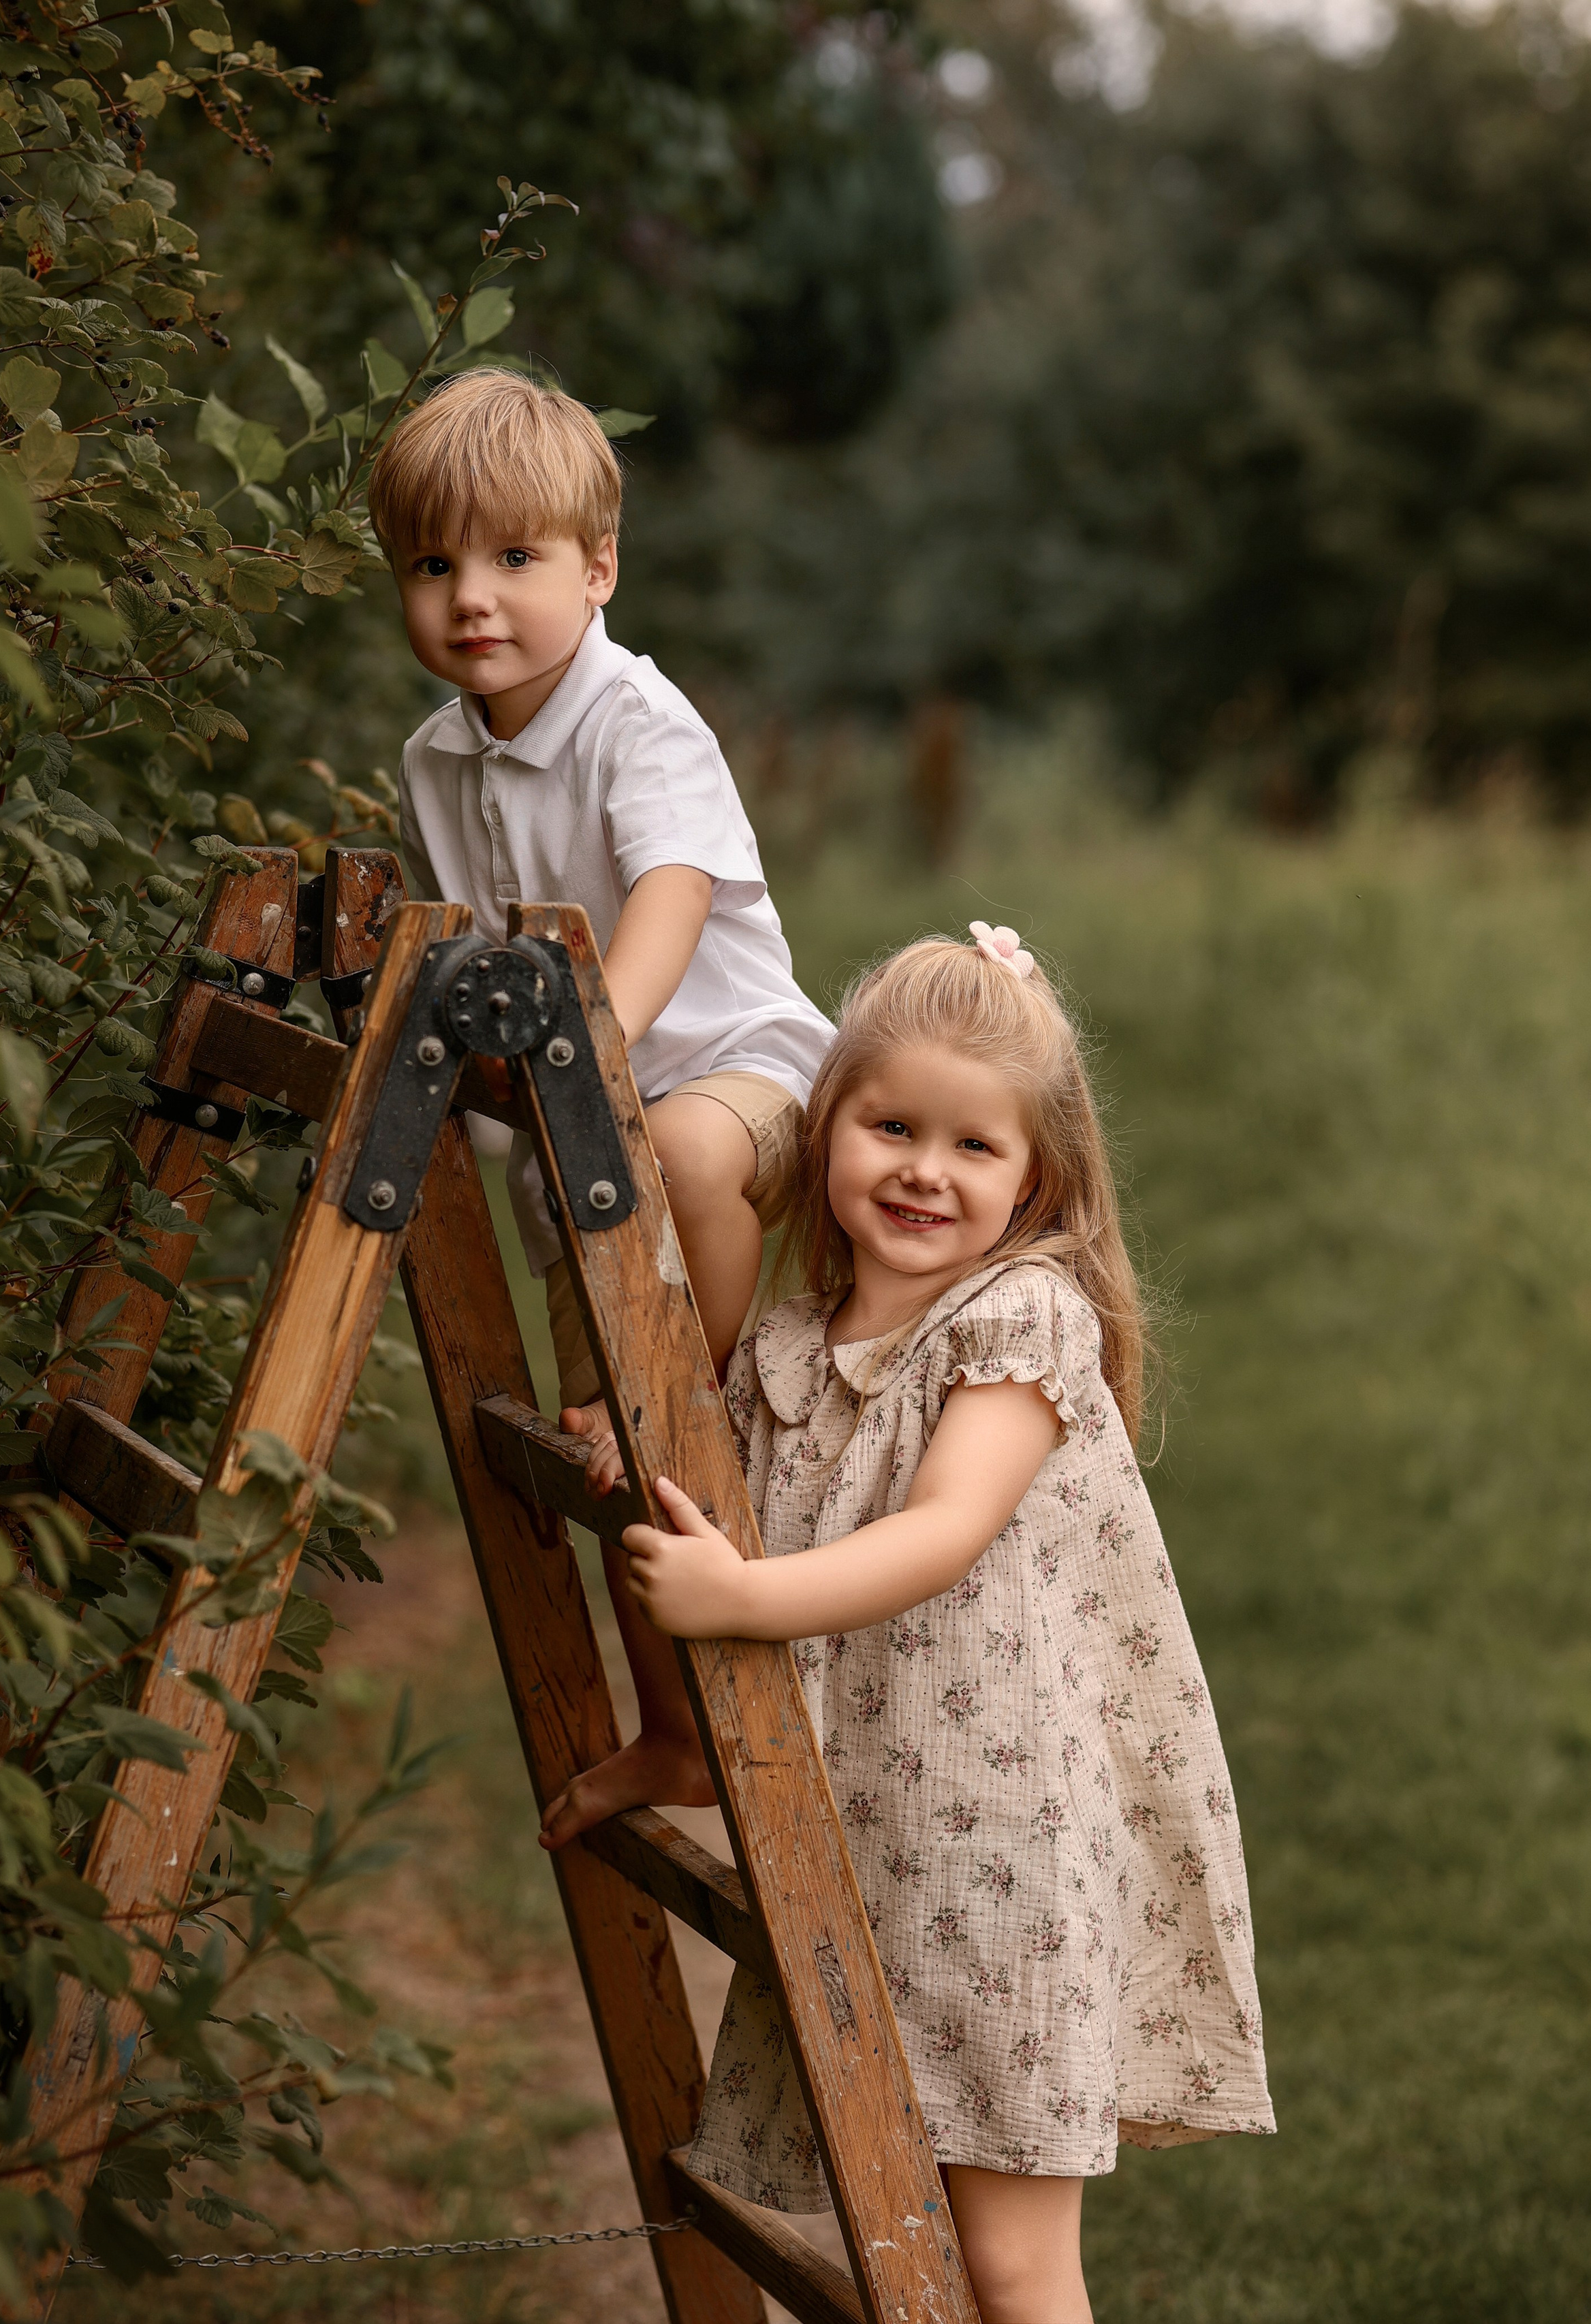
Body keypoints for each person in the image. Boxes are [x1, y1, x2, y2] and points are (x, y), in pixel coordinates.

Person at [610, 927, 1275, 2324]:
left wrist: (736, 1601)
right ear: (827, 1124)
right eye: (890, 1125)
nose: (922, 1169)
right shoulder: (793, 1346)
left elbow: (940, 1533)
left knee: (1008, 2264)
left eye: (973, 1147)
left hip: (1003, 1860)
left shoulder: (1017, 1323)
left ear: (1037, 1180)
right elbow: (705, 1479)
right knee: (892, 2236)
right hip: (869, 1845)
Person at [368, 367, 834, 1836]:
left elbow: (675, 895)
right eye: (432, 566)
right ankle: (671, 1733)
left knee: (683, 1177)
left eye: (513, 559)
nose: (470, 599)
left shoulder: (639, 721)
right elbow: (459, 938)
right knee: (617, 1480)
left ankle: (686, 1380)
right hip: (575, 1149)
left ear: (598, 568)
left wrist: (595, 1045)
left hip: (729, 1076)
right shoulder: (434, 758)